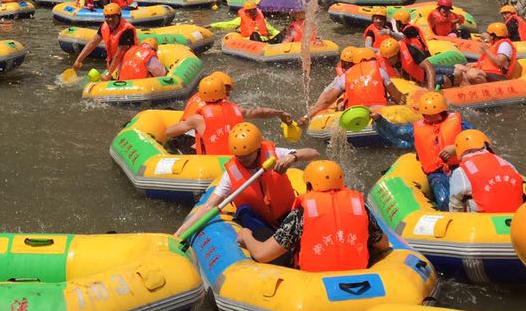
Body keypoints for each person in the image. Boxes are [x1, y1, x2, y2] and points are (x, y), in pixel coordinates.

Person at [236, 161, 389, 271]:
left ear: (309, 185)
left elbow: (262, 255)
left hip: (312, 281)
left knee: (259, 233)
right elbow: (383, 245)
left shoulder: (301, 214)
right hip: (358, 273)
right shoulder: (359, 207)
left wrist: (246, 235)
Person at [175, 122, 316, 240]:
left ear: (258, 149)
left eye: (247, 156)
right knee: (243, 211)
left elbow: (313, 153)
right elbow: (209, 206)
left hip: (286, 214)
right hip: (259, 223)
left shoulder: (274, 154)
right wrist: (179, 233)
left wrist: (293, 157)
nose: (243, 160)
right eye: (239, 156)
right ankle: (273, 247)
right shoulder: (231, 174)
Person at [165, 73, 292, 155]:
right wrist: (279, 113)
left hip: (202, 142)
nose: (228, 95)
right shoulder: (234, 109)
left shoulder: (197, 109)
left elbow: (169, 132)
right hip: (198, 140)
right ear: (221, 89)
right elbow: (257, 112)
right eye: (227, 91)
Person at [300, 46, 407, 125]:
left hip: (356, 117)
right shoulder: (380, 71)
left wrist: (307, 116)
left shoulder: (344, 76)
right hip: (379, 115)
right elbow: (397, 97)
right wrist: (409, 105)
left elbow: (326, 101)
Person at [447, 130, 525, 213]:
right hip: (515, 214)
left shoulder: (461, 171)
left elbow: (455, 202)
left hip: (484, 219)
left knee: (452, 198)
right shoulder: (504, 162)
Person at [413, 93, 463, 209]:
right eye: (427, 115)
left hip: (458, 167)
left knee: (465, 191)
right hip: (436, 173)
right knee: (442, 196)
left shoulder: (459, 123)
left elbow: (477, 141)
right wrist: (380, 120)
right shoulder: (417, 128)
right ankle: (447, 212)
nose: (430, 118)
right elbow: (398, 133)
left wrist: (456, 148)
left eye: (434, 115)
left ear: (443, 112)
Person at [70, 4, 134, 73]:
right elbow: (93, 43)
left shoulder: (126, 30)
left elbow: (119, 54)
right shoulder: (104, 27)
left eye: (113, 16)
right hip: (114, 62)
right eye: (107, 17)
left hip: (128, 64)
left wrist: (109, 74)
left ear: (119, 16)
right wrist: (78, 60)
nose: (110, 19)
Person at [451, 22, 517, 87]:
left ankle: (473, 88)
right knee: (457, 67)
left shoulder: (504, 45)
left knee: (472, 74)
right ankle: (467, 89)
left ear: (493, 35)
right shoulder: (494, 45)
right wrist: (475, 64)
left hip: (496, 75)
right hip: (486, 72)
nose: (487, 35)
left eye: (488, 33)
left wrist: (486, 49)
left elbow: (500, 62)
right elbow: (487, 62)